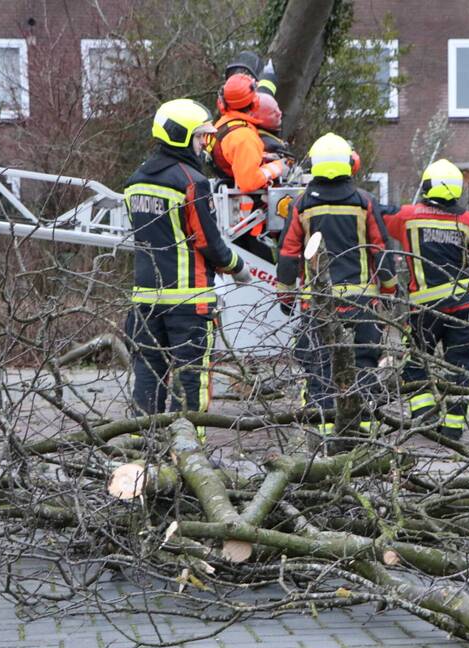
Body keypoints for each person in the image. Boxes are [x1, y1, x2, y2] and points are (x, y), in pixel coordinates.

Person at [123, 99, 250, 439]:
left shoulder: (135, 182)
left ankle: (141, 447)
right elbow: (207, 241)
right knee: (191, 379)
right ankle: (189, 451)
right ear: (182, 137)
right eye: (200, 137)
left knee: (148, 375)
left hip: (145, 300)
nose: (204, 145)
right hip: (188, 301)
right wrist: (238, 267)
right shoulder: (192, 182)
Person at [276, 133, 397, 437]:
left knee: (318, 368)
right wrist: (390, 292)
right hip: (360, 303)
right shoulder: (364, 202)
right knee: (364, 366)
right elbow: (380, 250)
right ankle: (363, 434)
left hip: (318, 304)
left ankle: (323, 435)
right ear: (348, 165)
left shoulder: (302, 205)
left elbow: (289, 254)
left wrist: (286, 296)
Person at [384, 159, 469, 442]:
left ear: (426, 187)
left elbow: (376, 218)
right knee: (461, 366)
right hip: (465, 307)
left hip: (424, 310)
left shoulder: (408, 216)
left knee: (415, 362)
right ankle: (453, 428)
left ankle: (424, 419)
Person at [210, 73, 287, 193]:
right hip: (249, 208)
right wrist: (277, 167)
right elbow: (249, 183)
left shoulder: (224, 124)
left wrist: (265, 157)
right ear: (255, 102)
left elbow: (236, 157)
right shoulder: (244, 137)